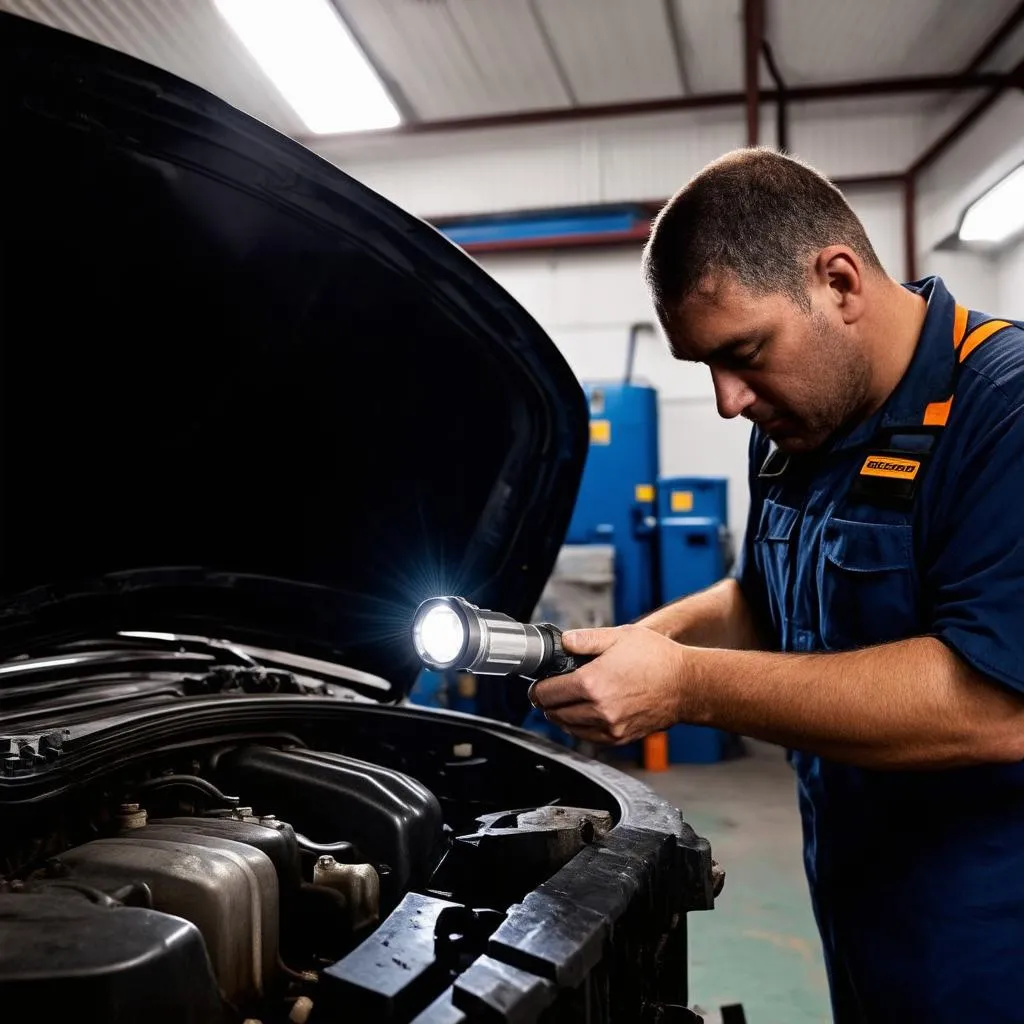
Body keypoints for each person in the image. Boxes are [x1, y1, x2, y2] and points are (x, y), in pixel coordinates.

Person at [528, 147, 1024, 1023]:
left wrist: (681, 685)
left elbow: (992, 704)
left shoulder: (1003, 414)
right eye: (704, 368)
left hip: (994, 936)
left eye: (744, 351)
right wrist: (636, 645)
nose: (727, 400)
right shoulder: (794, 428)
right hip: (863, 903)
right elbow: (757, 601)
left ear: (837, 282)